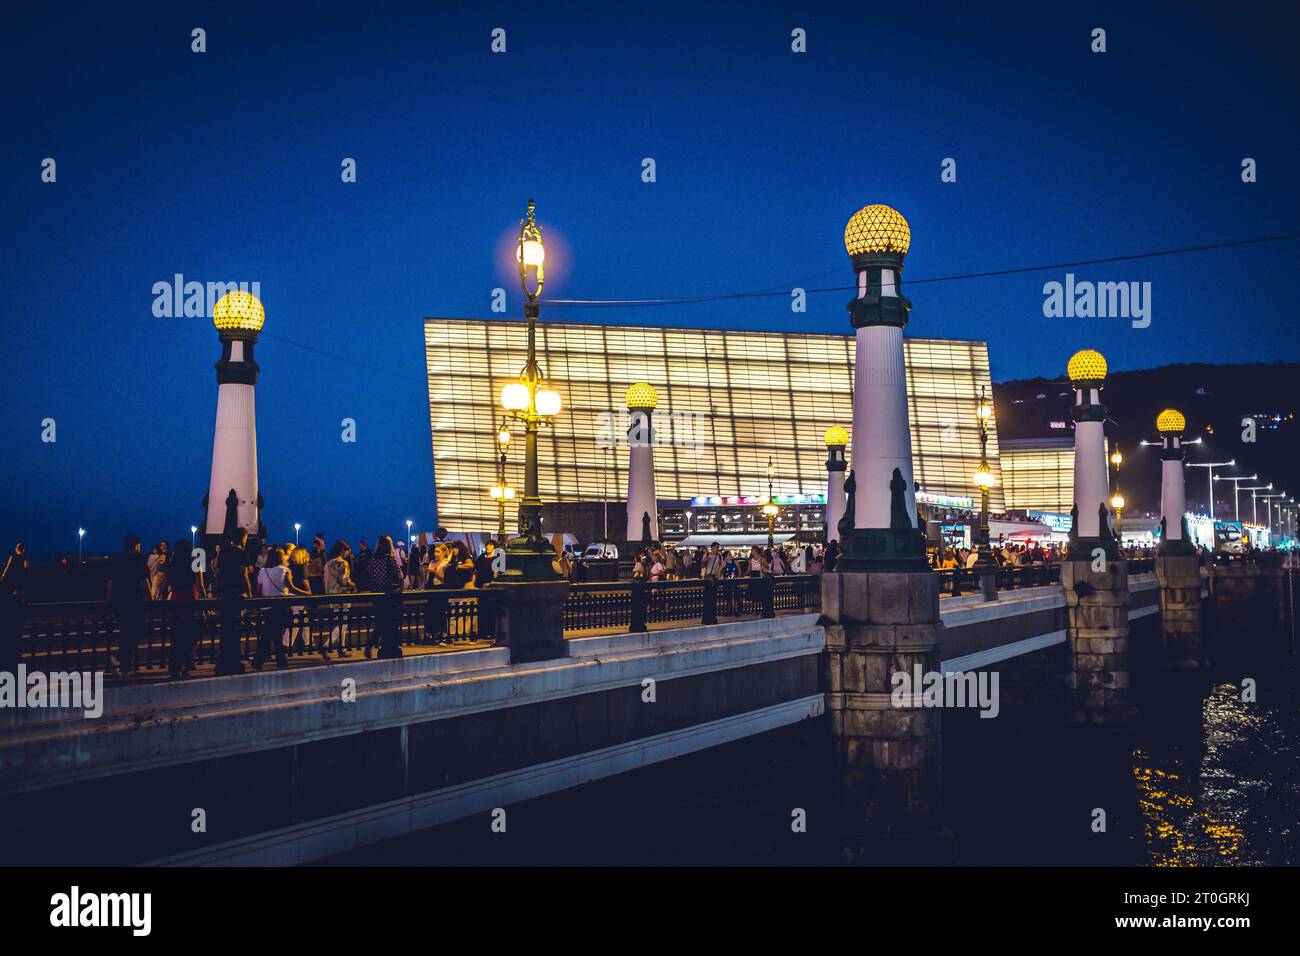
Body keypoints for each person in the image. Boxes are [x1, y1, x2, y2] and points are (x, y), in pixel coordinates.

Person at [253, 548, 307, 669]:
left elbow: (258, 590)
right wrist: (307, 593)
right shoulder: (284, 571)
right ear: (280, 558)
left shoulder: (262, 571)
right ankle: (275, 661)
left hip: (266, 607)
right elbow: (292, 588)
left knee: (272, 634)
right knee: (274, 634)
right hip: (280, 606)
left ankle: (266, 661)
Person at [105, 535, 150, 674]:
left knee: (125, 631)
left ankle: (124, 664)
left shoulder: (117, 559)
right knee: (137, 630)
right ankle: (121, 658)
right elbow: (144, 581)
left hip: (119, 600)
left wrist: (109, 601)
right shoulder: (139, 558)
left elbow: (110, 583)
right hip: (135, 600)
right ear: (136, 545)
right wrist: (149, 598)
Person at [165, 537, 202, 678]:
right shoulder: (194, 562)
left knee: (176, 635)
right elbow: (199, 583)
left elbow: (167, 584)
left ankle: (175, 666)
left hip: (175, 598)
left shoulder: (172, 564)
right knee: (190, 634)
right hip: (189, 597)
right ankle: (185, 665)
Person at [364, 535, 405, 658]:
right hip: (389, 596)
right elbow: (400, 575)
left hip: (377, 595)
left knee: (381, 621)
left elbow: (369, 574)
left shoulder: (373, 560)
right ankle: (380, 645)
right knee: (387, 623)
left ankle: (371, 645)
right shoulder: (390, 559)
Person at [322, 540, 356, 659]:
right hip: (343, 595)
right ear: (342, 550)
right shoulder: (343, 563)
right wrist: (353, 585)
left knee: (339, 622)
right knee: (343, 622)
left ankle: (341, 649)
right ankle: (327, 645)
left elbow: (325, 581)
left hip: (331, 595)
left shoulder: (328, 564)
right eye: (347, 550)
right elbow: (344, 580)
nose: (348, 553)